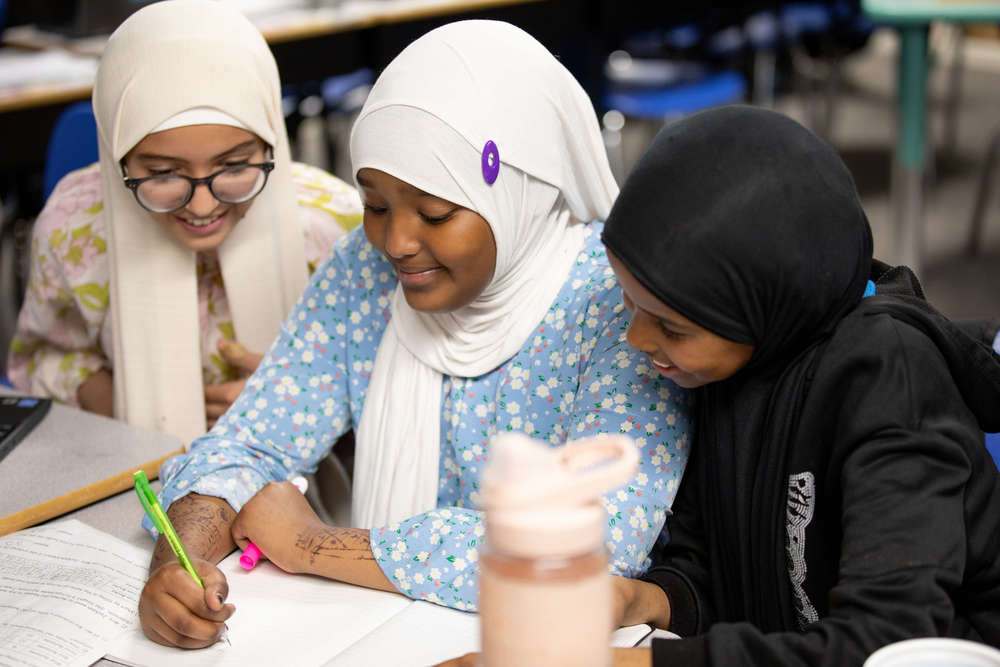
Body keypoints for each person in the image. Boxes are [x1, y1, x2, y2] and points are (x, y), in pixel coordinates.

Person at [136, 19, 693, 649]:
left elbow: (592, 545)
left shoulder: (617, 303)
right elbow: (249, 444)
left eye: (435, 212)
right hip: (375, 634)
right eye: (374, 205)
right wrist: (181, 567)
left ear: (518, 192)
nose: (395, 243)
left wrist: (316, 545)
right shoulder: (365, 272)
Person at [599, 106, 1000, 666]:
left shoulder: (890, 382)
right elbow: (711, 571)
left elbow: (884, 645)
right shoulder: (729, 360)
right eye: (628, 303)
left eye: (670, 325)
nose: (636, 338)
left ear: (766, 301)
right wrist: (642, 598)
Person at [7, 0, 362, 443]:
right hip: (131, 461)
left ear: (272, 143)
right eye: (162, 174)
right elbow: (46, 358)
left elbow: (389, 384)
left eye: (234, 167)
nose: (199, 207)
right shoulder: (73, 229)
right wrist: (135, 411)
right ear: (117, 153)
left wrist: (301, 404)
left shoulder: (335, 227)